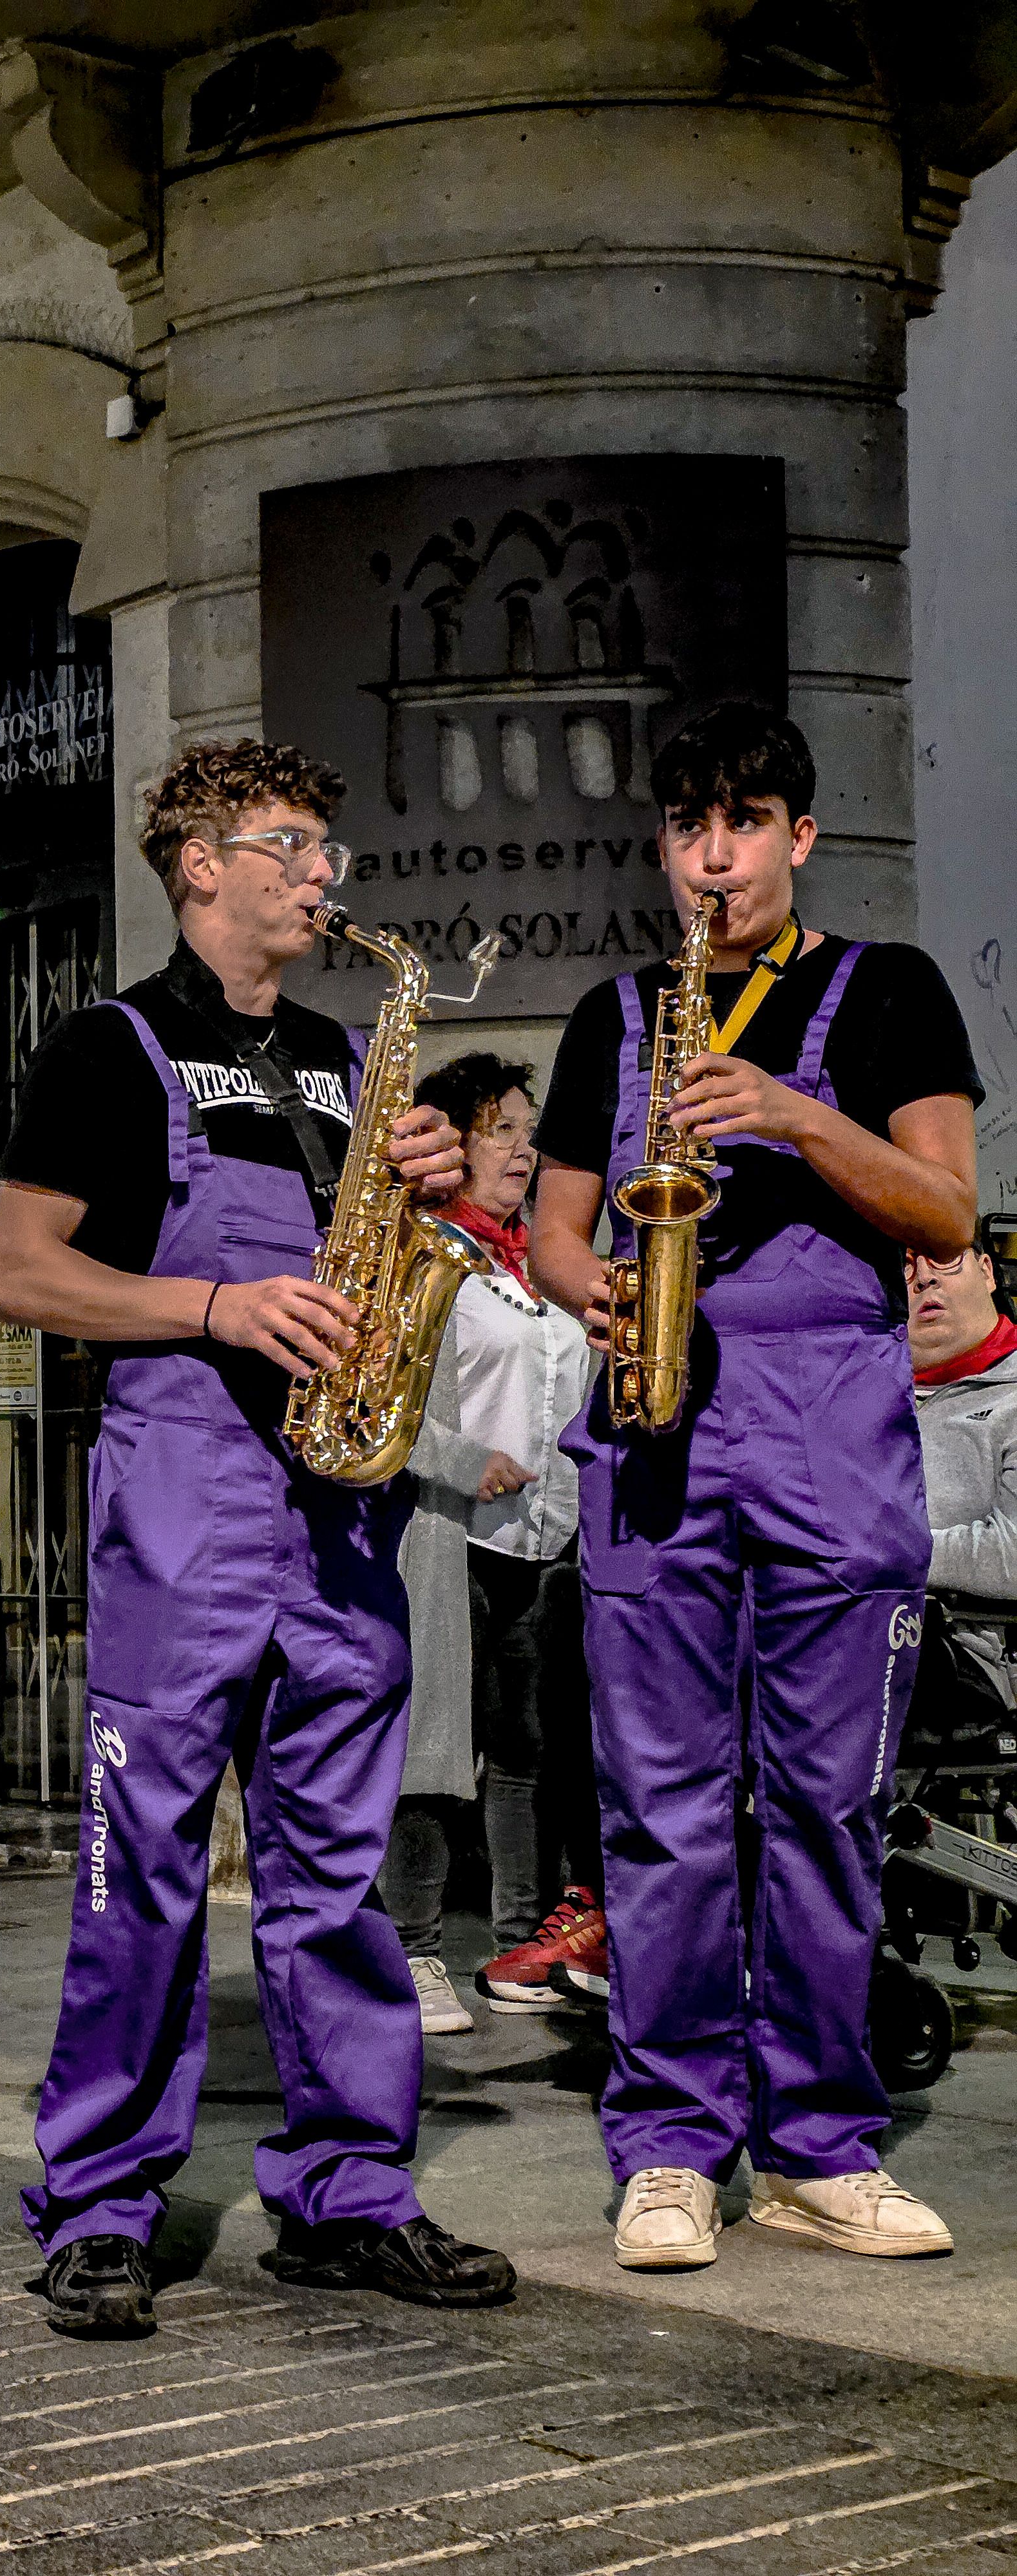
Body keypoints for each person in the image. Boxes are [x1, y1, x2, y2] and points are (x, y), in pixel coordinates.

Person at [0, 736, 516, 2338]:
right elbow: (21, 1270)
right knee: (137, 1865)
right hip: (187, 1490)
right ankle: (94, 2204)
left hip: (336, 1505)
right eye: (289, 844)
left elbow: (377, 1266)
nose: (320, 875)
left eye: (321, 846)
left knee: (336, 1873)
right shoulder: (110, 1043)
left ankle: (350, 2192)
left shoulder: (353, 1058)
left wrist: (422, 1183)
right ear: (199, 862)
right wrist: (211, 1302)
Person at [529, 701, 979, 2273]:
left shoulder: (890, 990)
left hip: (827, 1439)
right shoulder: (616, 1012)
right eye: (684, 826)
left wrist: (787, 1109)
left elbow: (940, 1205)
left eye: (740, 821)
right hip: (656, 1428)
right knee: (656, 1814)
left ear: (798, 836)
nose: (708, 854)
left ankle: (816, 2146)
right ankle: (666, 2147)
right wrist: (591, 1290)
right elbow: (554, 1227)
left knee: (824, 1810)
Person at [379, 1054, 600, 2034]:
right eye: (502, 1129)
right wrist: (464, 1460)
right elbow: (375, 1407)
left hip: (547, 1540)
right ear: (453, 1143)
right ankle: (413, 1952)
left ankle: (522, 1943)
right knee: (434, 1753)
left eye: (527, 1129)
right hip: (450, 1532)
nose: (524, 1147)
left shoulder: (536, 1257)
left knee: (529, 1749)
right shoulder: (424, 1253)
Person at [906, 1230, 1017, 1723]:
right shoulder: (851, 1398)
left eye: (945, 1258)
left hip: (954, 1651)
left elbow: (1014, 1556)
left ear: (988, 1272)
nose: (925, 1276)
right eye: (905, 1266)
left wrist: (886, 1554)